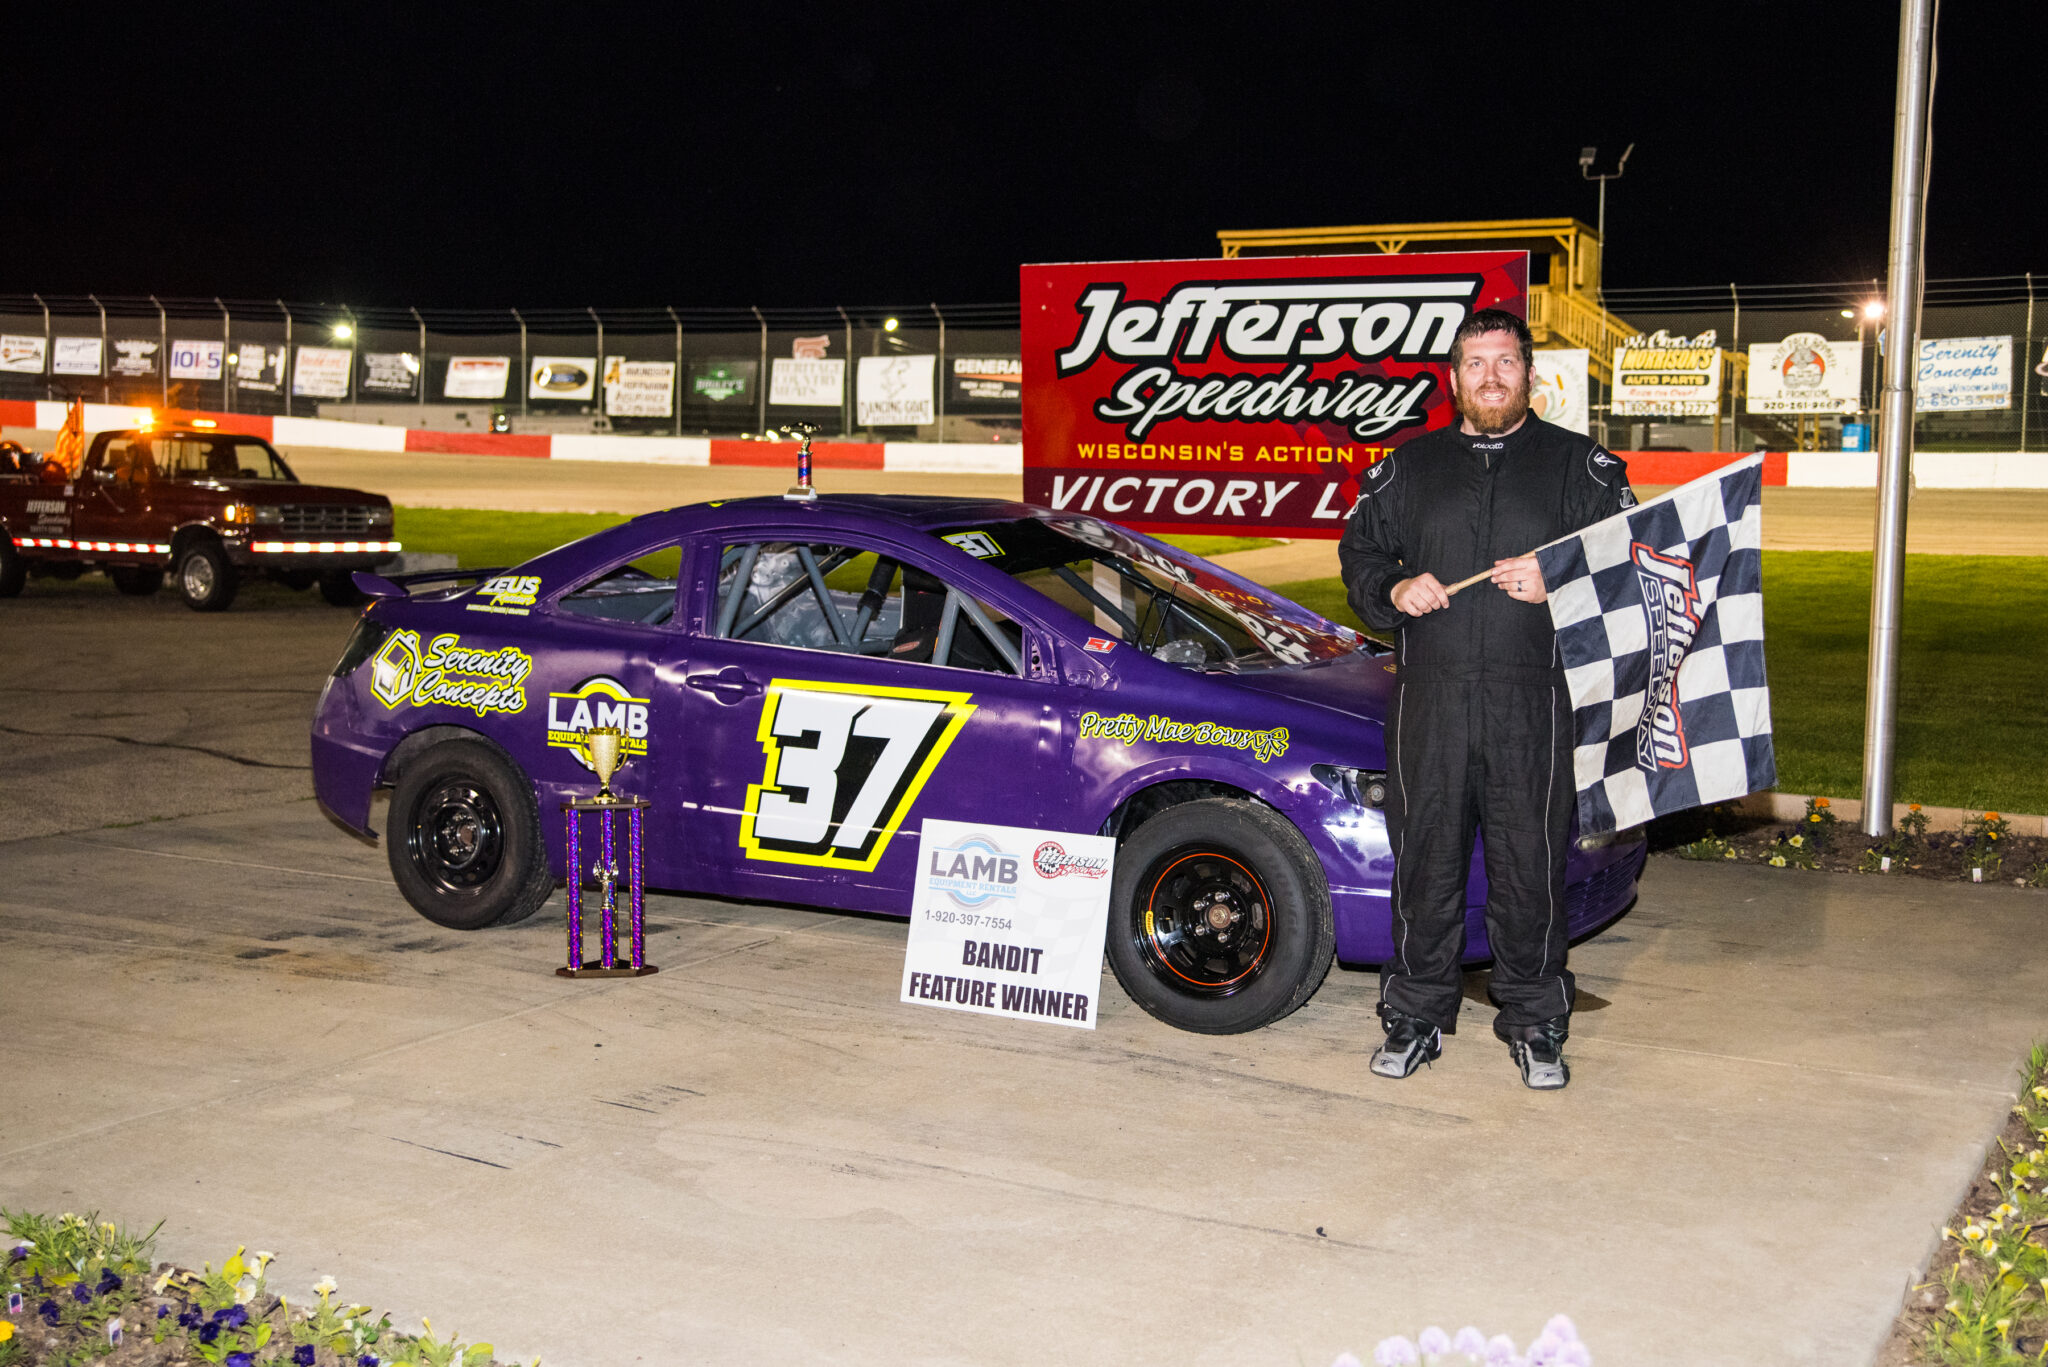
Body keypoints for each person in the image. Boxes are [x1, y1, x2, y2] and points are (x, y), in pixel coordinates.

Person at [1338, 309, 1634, 1090]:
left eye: (1506, 361)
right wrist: (1393, 586)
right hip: (1429, 704)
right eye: (1476, 363)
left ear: (1531, 375)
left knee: (1527, 863)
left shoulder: (1582, 467)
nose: (1492, 376)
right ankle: (1415, 1014)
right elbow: (1361, 551)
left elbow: (1633, 564)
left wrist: (1560, 578)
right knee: (1424, 863)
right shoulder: (1409, 468)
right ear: (1454, 378)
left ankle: (1536, 1019)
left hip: (1531, 701)